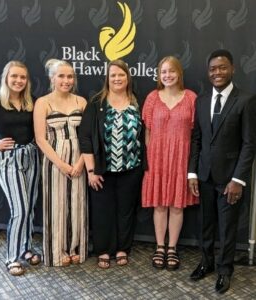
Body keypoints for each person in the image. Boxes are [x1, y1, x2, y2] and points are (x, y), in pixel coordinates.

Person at [188, 49, 256, 294]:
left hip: (230, 179)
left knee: (227, 227)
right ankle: (206, 262)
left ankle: (225, 271)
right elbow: (197, 139)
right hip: (204, 176)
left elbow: (250, 143)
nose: (217, 72)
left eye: (222, 67)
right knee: (205, 224)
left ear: (233, 69)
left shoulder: (246, 100)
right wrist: (192, 173)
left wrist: (238, 179)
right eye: (212, 69)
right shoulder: (202, 100)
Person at [79, 59, 143, 269]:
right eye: (113, 75)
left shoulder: (136, 102)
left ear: (128, 78)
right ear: (107, 78)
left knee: (126, 210)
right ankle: (104, 250)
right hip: (102, 170)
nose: (117, 78)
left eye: (121, 75)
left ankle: (123, 248)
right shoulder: (97, 103)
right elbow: (86, 138)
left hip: (131, 168)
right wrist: (91, 170)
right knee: (102, 211)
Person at [141, 56, 198, 270]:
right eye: (163, 72)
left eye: (171, 71)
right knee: (159, 204)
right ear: (159, 75)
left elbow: (195, 134)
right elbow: (146, 131)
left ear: (179, 73)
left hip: (181, 159)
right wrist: (149, 157)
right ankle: (160, 247)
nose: (167, 75)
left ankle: (172, 247)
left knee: (176, 204)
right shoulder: (152, 98)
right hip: (156, 159)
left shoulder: (191, 98)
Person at [34, 59, 87, 267]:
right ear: (52, 78)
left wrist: (81, 162)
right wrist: (61, 164)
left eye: (70, 76)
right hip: (54, 162)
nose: (66, 80)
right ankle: (58, 250)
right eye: (62, 76)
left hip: (79, 160)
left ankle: (74, 247)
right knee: (56, 206)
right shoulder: (43, 102)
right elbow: (40, 139)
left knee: (77, 203)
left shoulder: (81, 102)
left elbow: (88, 136)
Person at [0, 61, 40, 276]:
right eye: (14, 76)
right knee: (19, 209)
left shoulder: (32, 101)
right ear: (6, 78)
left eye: (23, 77)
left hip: (31, 157)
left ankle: (26, 248)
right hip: (9, 160)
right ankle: (12, 257)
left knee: (29, 207)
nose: (18, 81)